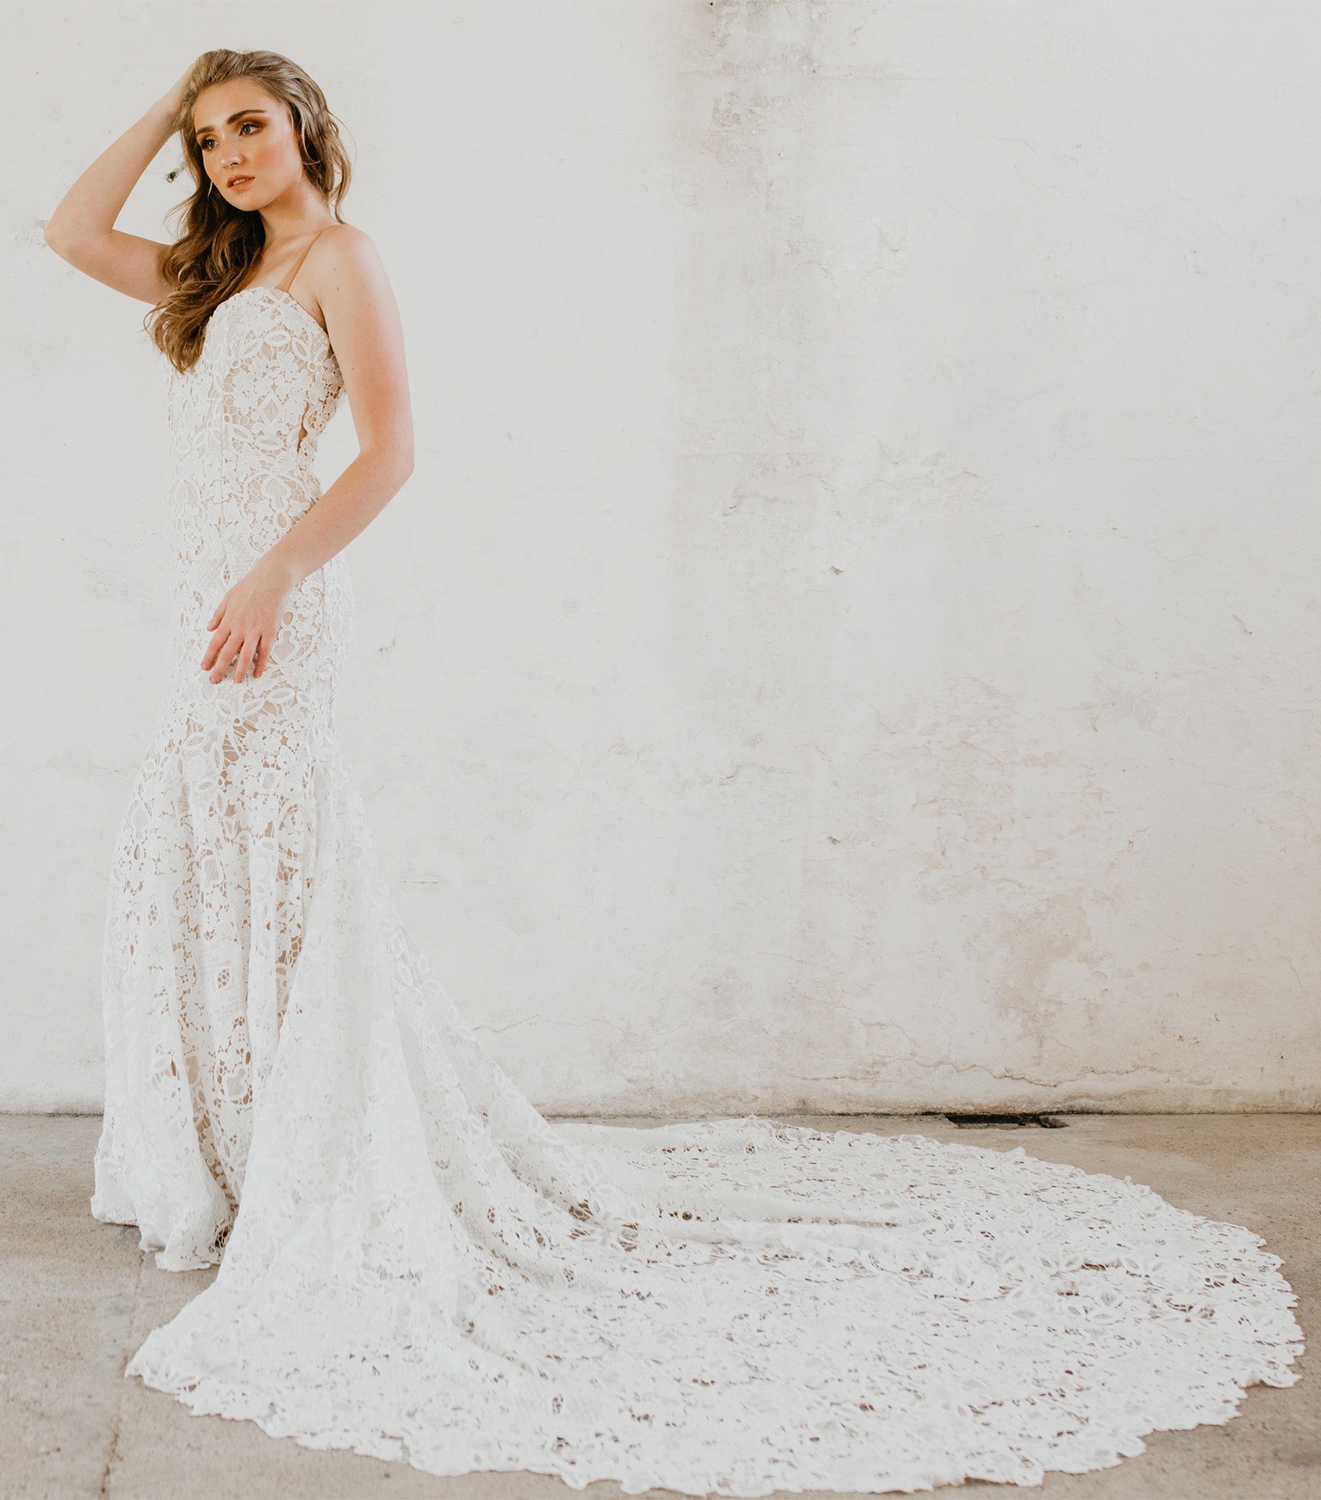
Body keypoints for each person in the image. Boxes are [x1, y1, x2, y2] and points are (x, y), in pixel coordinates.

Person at [44, 48, 1303, 1498]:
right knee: (201, 855)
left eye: (248, 126)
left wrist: (275, 576)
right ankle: (235, 1152)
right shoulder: (210, 277)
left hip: (273, 600)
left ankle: (306, 1151)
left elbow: (390, 454)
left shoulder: (342, 259)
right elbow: (71, 231)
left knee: (281, 856)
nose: (226, 156)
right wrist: (169, 98)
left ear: (306, 128)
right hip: (197, 606)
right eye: (208, 140)